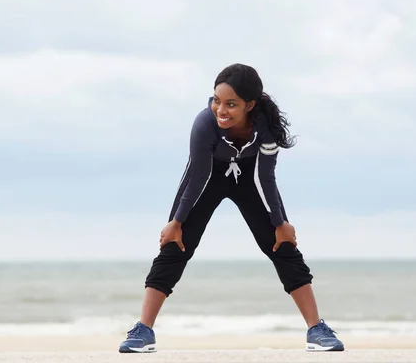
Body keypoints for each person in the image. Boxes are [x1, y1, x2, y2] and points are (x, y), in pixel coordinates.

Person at [118, 63, 344, 353]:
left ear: (250, 105)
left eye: (231, 104)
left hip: (249, 178)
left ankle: (316, 329)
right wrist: (176, 221)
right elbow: (198, 174)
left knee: (282, 244)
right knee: (176, 243)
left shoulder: (267, 128)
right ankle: (143, 330)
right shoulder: (204, 124)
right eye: (216, 100)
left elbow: (266, 177)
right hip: (209, 177)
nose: (220, 110)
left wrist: (280, 222)